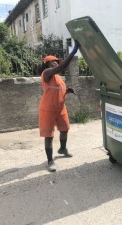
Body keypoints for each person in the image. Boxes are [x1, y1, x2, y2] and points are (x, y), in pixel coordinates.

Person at [39, 42, 79, 172]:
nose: (56, 63)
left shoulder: (58, 78)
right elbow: (62, 66)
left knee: (65, 129)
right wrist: (73, 52)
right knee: (49, 136)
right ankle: (50, 161)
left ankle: (63, 149)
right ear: (47, 65)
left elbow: (58, 91)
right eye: (53, 62)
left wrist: (67, 91)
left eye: (57, 62)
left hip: (60, 109)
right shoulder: (47, 73)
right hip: (48, 110)